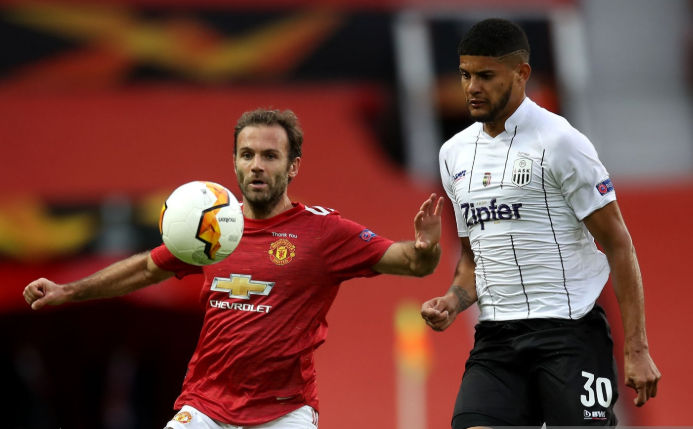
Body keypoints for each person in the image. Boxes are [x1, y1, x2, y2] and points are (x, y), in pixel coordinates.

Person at [23, 108, 444, 429]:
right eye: (247, 154)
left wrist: (426, 248)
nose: (256, 164)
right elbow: (147, 269)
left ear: (293, 166)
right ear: (235, 162)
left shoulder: (323, 232)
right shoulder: (213, 227)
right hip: (206, 405)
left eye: (270, 156)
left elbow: (411, 262)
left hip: (285, 411)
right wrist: (68, 291)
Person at [420, 18, 661, 427]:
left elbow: (618, 244)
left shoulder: (562, 142)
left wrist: (636, 349)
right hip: (496, 341)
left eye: (485, 76)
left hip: (569, 336)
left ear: (521, 73)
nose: (472, 87)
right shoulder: (453, 154)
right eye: (465, 75)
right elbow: (473, 260)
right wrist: (453, 301)